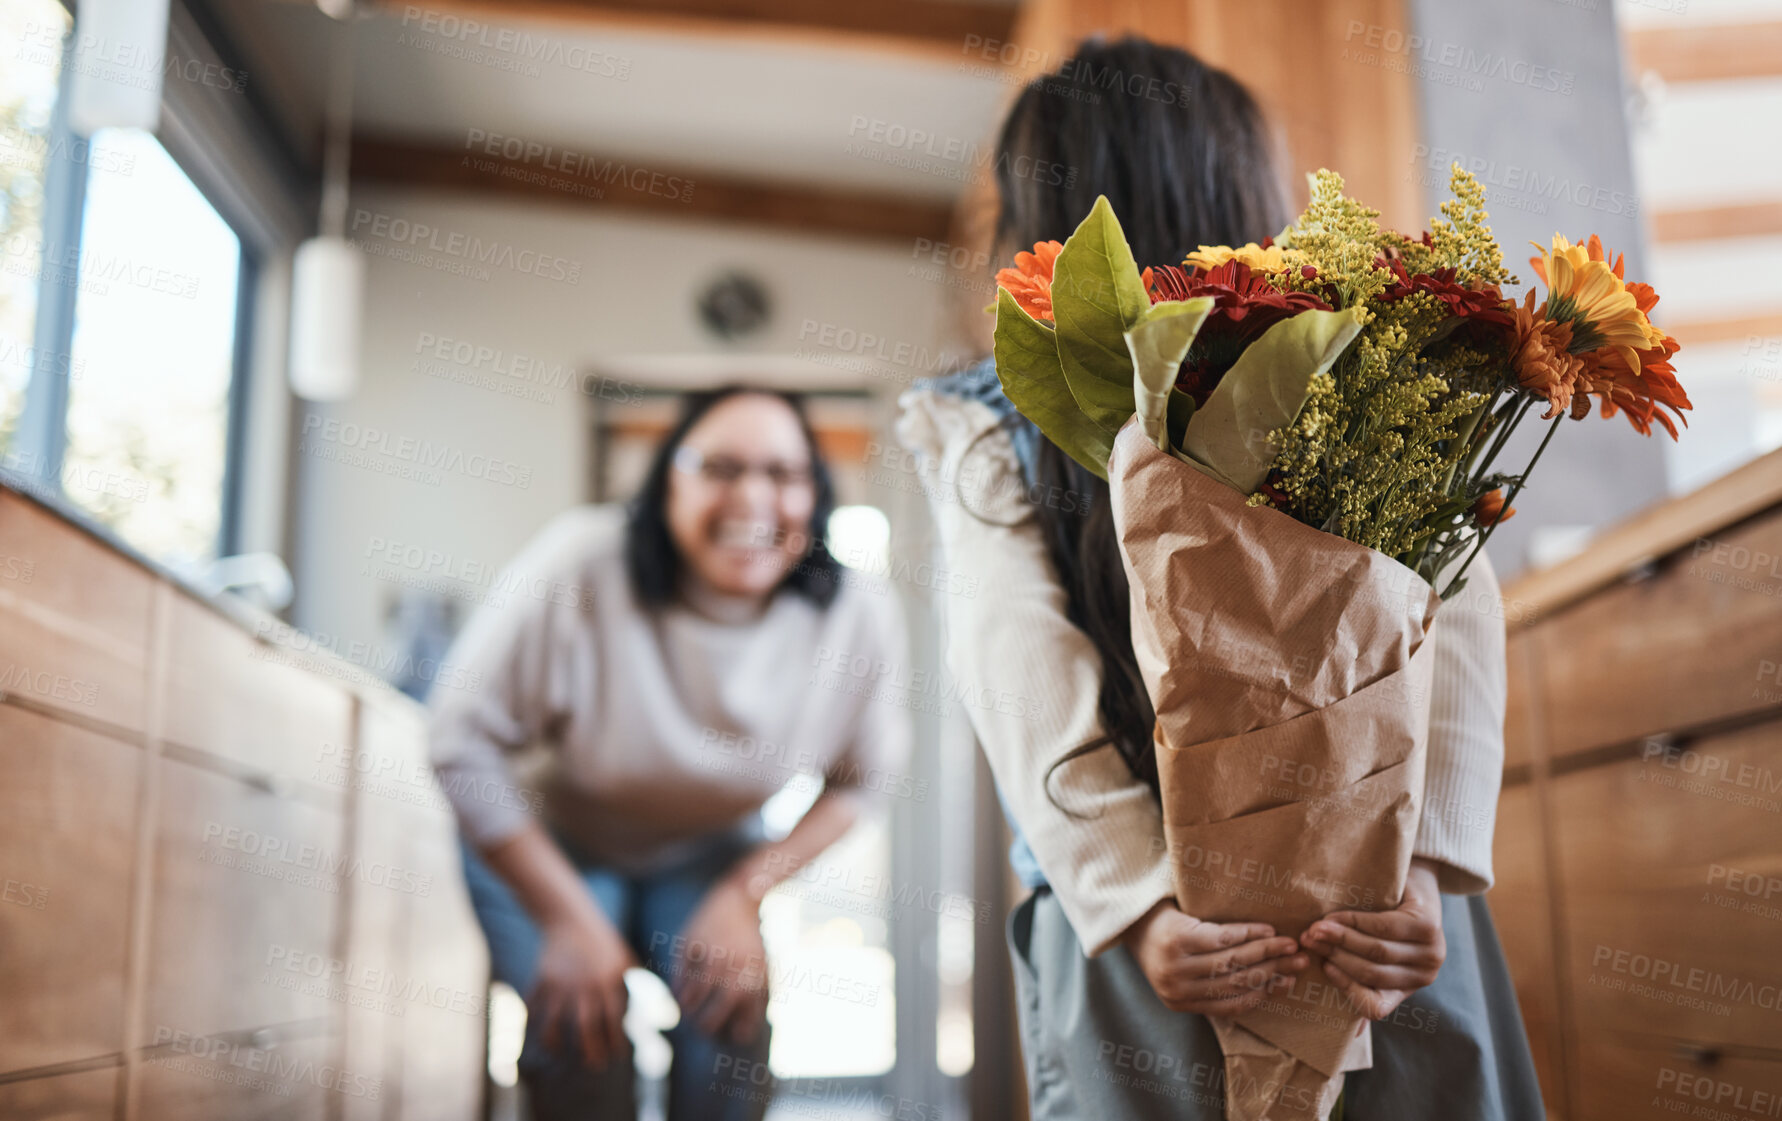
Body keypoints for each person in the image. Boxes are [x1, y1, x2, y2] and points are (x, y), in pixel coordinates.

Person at [896, 37, 1543, 1119]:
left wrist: (1134, 895)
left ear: (1034, 208)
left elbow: (1014, 662)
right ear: (1241, 186)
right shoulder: (1358, 355)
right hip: (1377, 904)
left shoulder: (983, 415)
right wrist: (1430, 861)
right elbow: (1455, 601)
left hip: (1161, 924)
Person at [429, 385, 909, 1121]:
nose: (755, 497)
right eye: (721, 467)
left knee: (729, 1022)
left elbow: (863, 781)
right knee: (578, 1033)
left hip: (709, 853)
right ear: (667, 483)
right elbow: (459, 740)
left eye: (784, 474)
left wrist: (745, 890)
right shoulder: (584, 560)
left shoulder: (858, 610)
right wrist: (567, 917)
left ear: (814, 495)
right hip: (550, 838)